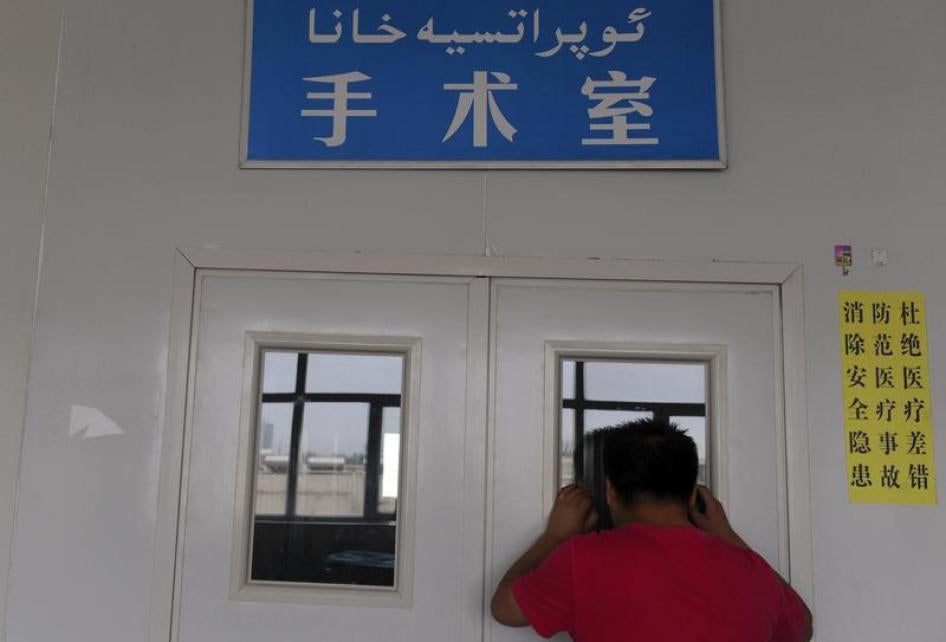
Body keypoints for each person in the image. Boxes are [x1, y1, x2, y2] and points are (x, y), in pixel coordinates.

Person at [490, 418, 812, 641]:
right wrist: (727, 535)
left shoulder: (580, 560)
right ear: (691, 494)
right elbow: (801, 628)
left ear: (610, 492)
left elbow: (503, 608)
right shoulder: (749, 570)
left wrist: (555, 536)